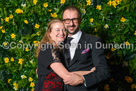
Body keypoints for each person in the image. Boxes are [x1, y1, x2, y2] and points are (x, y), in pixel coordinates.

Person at [34, 19, 96, 91]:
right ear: (49, 33)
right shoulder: (49, 49)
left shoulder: (58, 50)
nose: (61, 33)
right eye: (57, 30)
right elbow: (67, 76)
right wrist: (91, 73)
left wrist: (90, 72)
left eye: (64, 30)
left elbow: (67, 73)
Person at [62, 6, 110, 91]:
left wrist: (83, 79)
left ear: (80, 20)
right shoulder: (58, 42)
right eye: (67, 20)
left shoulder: (93, 41)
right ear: (63, 22)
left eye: (74, 19)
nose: (71, 23)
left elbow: (103, 72)